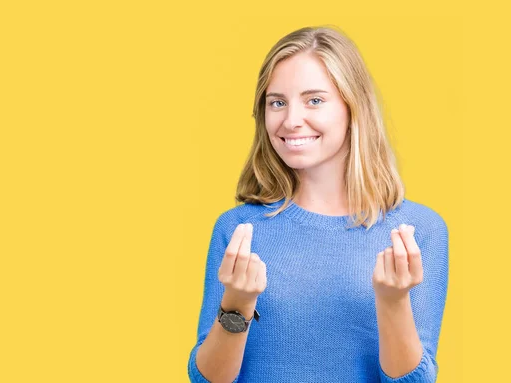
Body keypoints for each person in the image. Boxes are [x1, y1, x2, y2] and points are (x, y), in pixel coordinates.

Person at [187, 25, 449, 383]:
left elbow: (413, 381)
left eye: (314, 100)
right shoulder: (237, 230)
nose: (291, 120)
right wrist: (237, 304)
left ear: (353, 107)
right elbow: (208, 379)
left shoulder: (419, 232)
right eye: (277, 102)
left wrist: (392, 302)